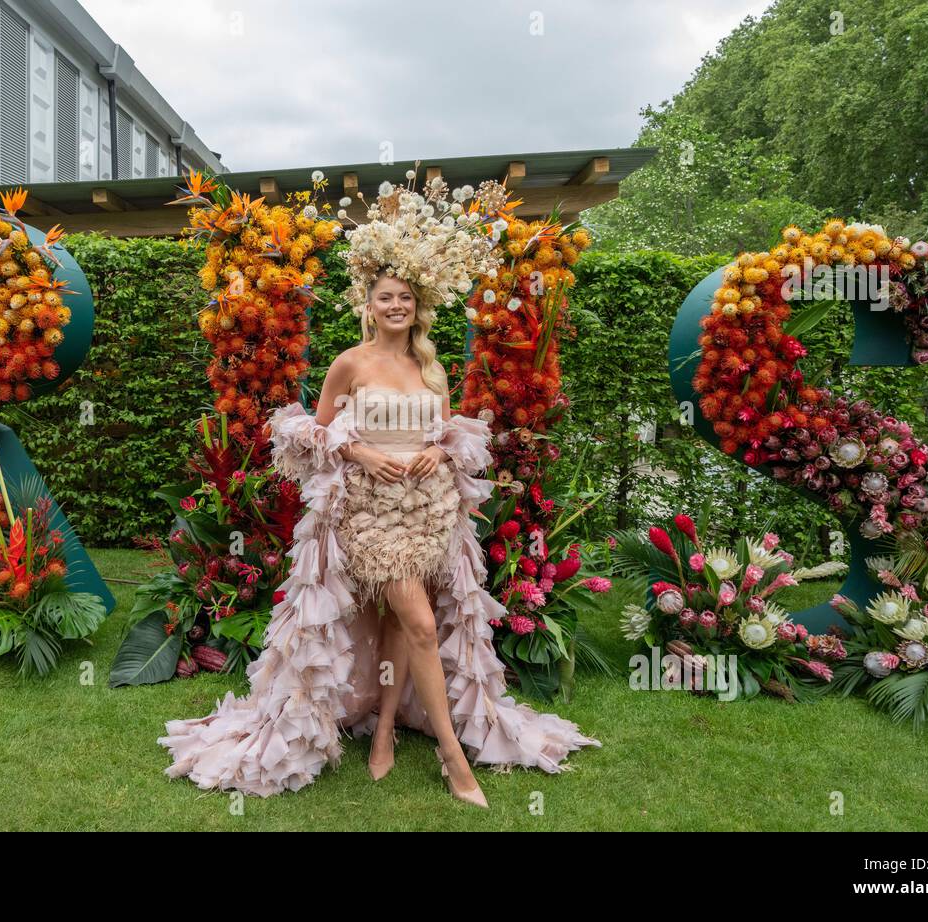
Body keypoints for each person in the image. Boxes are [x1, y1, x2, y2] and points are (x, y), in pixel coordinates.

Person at [158, 171, 601, 806]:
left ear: (418, 306)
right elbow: (312, 433)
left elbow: (449, 434)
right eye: (385, 298)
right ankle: (453, 757)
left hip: (427, 511)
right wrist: (361, 447)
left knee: (399, 616)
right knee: (420, 620)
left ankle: (387, 728)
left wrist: (432, 452)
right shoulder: (350, 362)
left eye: (405, 299)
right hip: (365, 512)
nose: (396, 307)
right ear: (369, 304)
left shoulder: (431, 367)